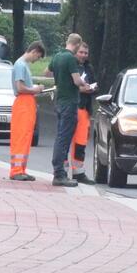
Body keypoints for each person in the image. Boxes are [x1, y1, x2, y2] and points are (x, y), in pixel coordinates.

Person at [47, 33, 92, 187]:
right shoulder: (70, 59)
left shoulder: (57, 56)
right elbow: (76, 80)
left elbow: (47, 72)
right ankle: (59, 174)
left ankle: (58, 171)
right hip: (69, 103)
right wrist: (84, 84)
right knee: (64, 138)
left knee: (59, 137)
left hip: (59, 101)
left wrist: (61, 79)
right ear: (77, 45)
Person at [8, 40, 46, 181]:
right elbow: (20, 87)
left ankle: (21, 169)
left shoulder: (23, 65)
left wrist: (34, 89)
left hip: (27, 102)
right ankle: (16, 170)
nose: (36, 60)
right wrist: (35, 89)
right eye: (37, 57)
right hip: (23, 102)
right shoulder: (20, 65)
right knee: (21, 136)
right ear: (34, 51)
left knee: (26, 136)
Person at [70, 42, 97, 182]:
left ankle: (78, 172)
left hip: (85, 108)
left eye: (86, 53)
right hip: (73, 106)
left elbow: (95, 83)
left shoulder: (88, 67)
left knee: (81, 142)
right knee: (66, 139)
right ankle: (61, 171)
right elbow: (66, 85)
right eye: (81, 52)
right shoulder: (70, 65)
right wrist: (81, 89)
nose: (83, 55)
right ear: (75, 52)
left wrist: (92, 88)